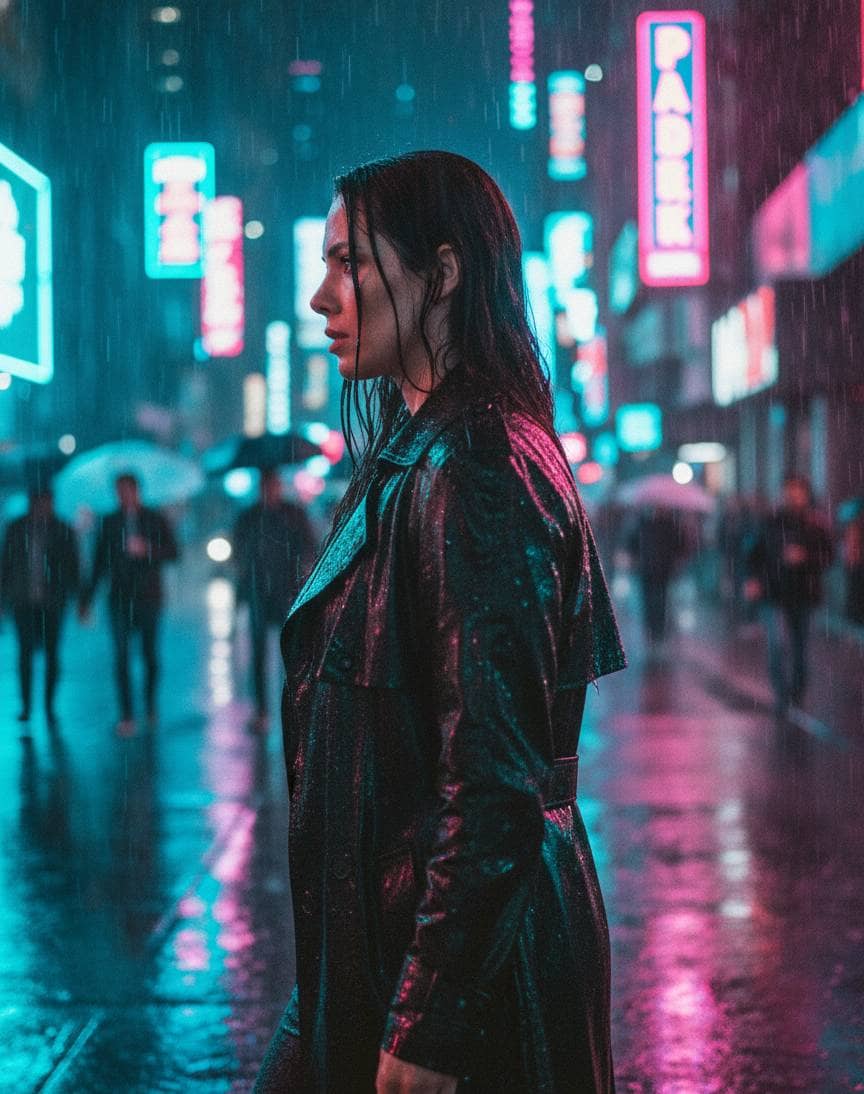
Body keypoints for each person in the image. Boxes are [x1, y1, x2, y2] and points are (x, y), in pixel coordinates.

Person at [254, 151, 626, 1093]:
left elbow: (496, 783)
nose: (320, 296)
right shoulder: (418, 457)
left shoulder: (477, 467)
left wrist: (428, 1028)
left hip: (460, 985)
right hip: (375, 954)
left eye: (349, 263)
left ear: (444, 273)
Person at [79, 473, 179, 734]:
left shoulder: (154, 518)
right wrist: (87, 599)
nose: (124, 495)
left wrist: (147, 550)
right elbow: (99, 562)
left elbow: (173, 552)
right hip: (120, 599)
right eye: (119, 490)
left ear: (137, 491)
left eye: (128, 490)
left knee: (150, 656)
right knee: (121, 657)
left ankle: (149, 707)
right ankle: (126, 714)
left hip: (148, 597)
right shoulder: (109, 522)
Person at [232, 468, 316, 731]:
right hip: (258, 593)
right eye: (266, 486)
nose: (271, 491)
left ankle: (295, 708)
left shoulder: (293, 514)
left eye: (274, 485)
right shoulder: (249, 517)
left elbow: (308, 546)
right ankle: (262, 711)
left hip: (287, 593)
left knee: (291, 654)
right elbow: (239, 551)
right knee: (258, 656)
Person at [745, 474, 833, 712]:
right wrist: (754, 580)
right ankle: (781, 696)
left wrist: (806, 557)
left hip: (804, 594)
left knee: (800, 647)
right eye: (789, 491)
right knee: (777, 645)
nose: (794, 496)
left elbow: (829, 557)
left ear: (806, 494)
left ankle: (797, 693)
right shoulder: (770, 521)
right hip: (774, 595)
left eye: (798, 491)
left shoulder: (817, 524)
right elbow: (752, 554)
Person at [0, 487, 79, 726]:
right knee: (25, 654)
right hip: (24, 601)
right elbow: (6, 565)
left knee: (51, 653)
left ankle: (49, 705)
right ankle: (27, 705)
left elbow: (72, 566)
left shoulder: (62, 529)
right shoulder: (17, 528)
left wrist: (73, 595)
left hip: (52, 602)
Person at [626, 505, 692, 644]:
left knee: (659, 601)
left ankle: (657, 631)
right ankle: (653, 630)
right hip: (648, 569)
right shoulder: (645, 524)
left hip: (661, 569)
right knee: (650, 601)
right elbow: (632, 544)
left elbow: (681, 546)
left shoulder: (669, 526)